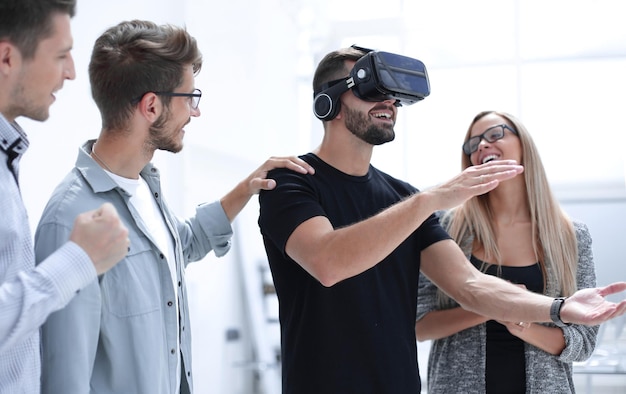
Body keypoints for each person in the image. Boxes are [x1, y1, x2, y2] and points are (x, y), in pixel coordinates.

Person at [257, 46, 626, 394]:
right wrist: (432, 199)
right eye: (372, 88)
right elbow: (328, 262)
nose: (389, 102)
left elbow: (470, 284)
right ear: (329, 102)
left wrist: (558, 307)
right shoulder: (289, 181)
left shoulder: (403, 196)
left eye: (393, 95)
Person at [34, 19, 315, 394]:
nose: (194, 113)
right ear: (151, 105)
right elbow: (65, 382)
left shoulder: (145, 186)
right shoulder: (69, 218)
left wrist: (246, 189)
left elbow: (179, 246)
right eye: (190, 98)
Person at [415, 110, 598, 393]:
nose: (482, 146)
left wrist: (523, 322)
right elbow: (420, 325)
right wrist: (492, 305)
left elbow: (583, 342)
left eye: (495, 134)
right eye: (473, 144)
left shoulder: (572, 237)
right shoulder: (447, 227)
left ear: (524, 145)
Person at [0, 1, 129, 393]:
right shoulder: (69, 209)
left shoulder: (8, 157)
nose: (71, 72)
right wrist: (77, 260)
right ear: (7, 57)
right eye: (60, 55)